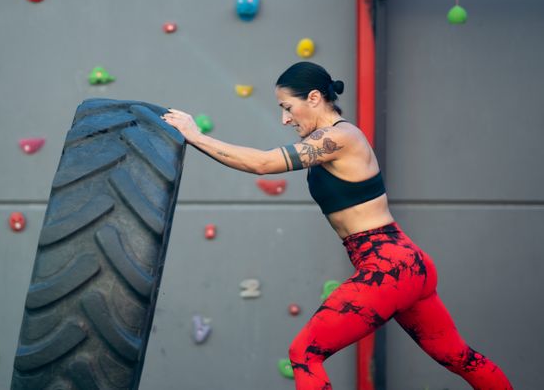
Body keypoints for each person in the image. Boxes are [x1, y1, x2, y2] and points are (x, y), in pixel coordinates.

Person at [161, 61, 512, 390]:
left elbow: (264, 164)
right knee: (459, 357)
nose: (285, 118)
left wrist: (195, 135)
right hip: (405, 265)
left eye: (287, 107)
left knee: (305, 354)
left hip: (389, 267)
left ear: (314, 98)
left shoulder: (342, 138)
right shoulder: (329, 142)